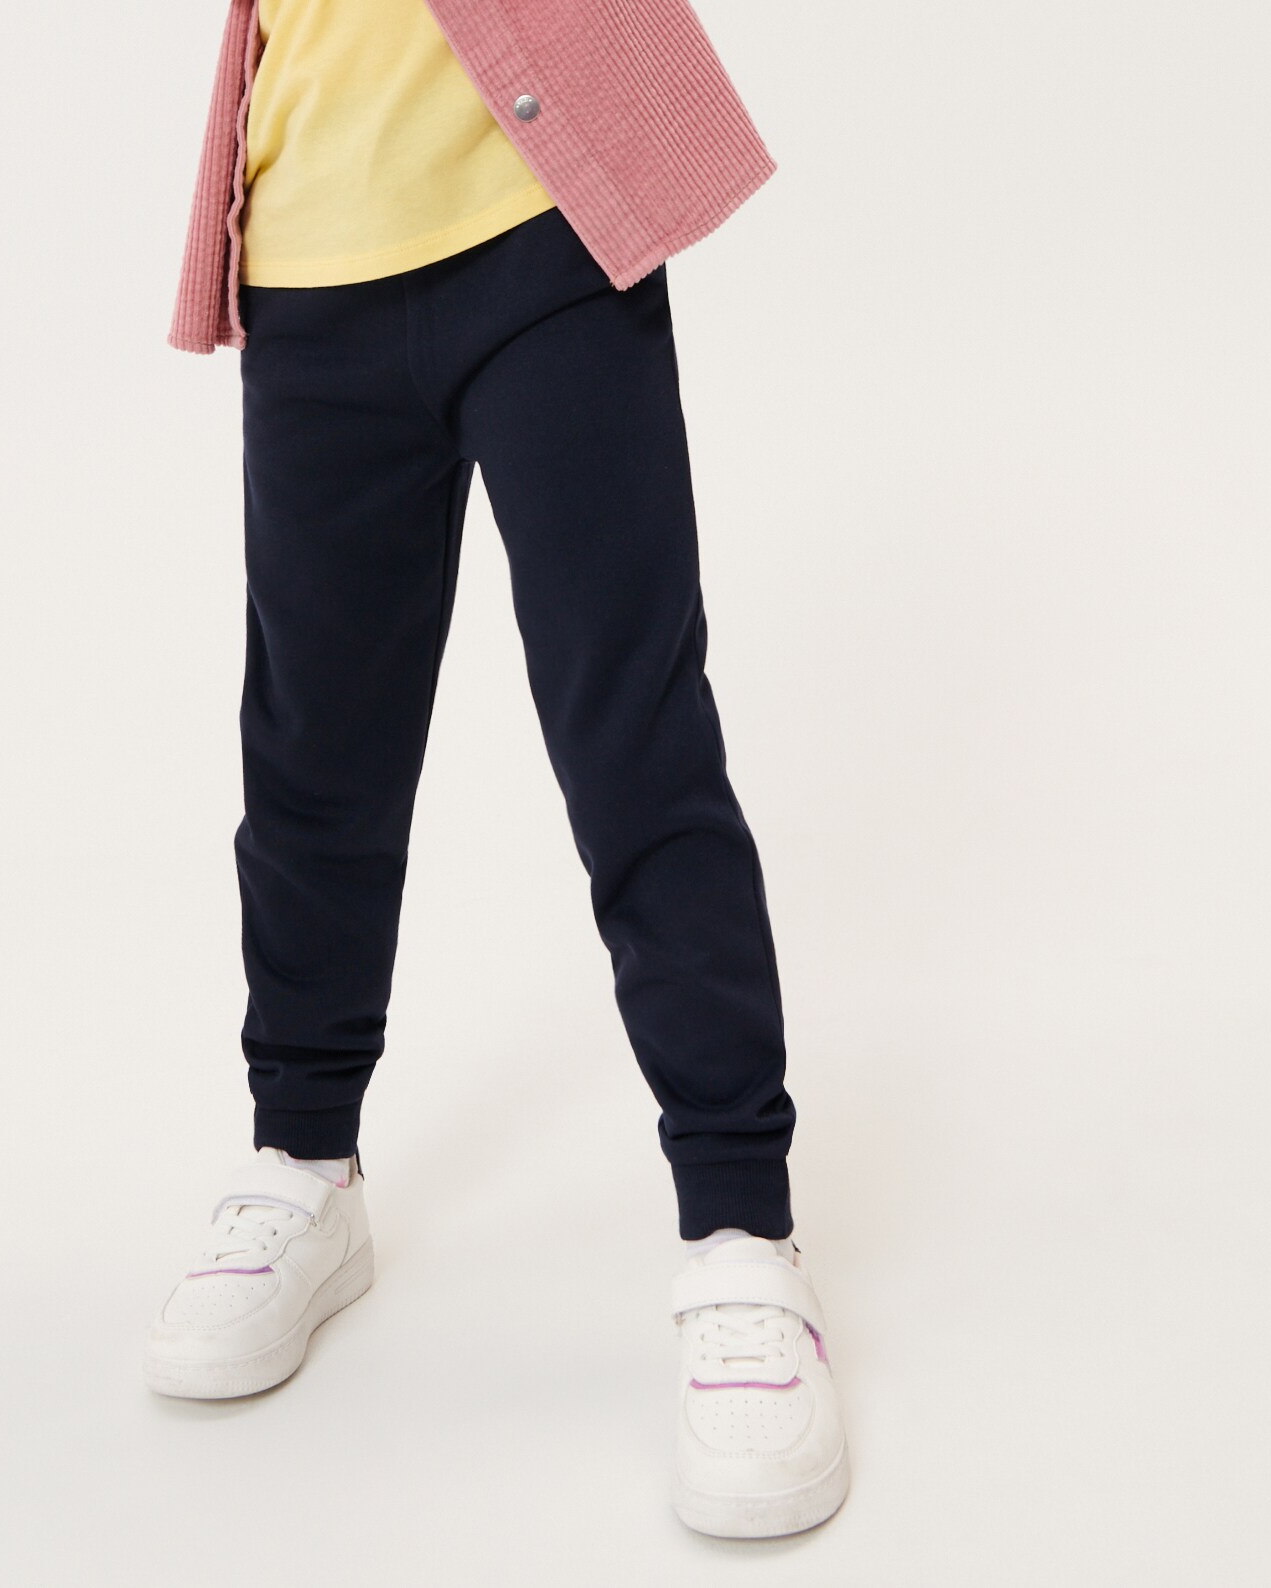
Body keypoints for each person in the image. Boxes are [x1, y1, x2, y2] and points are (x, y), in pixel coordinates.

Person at [145, 0, 849, 1538]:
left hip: (542, 232)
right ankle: (305, 1163)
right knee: (316, 746)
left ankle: (741, 1228)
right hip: (310, 248)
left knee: (634, 736)